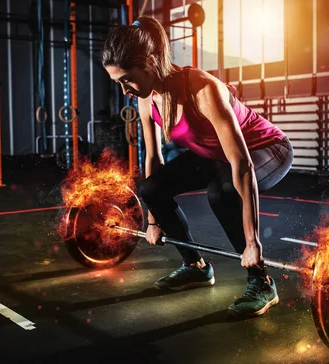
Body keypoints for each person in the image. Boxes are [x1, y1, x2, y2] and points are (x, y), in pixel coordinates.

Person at [101, 16, 293, 317]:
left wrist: (253, 242)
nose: (124, 89)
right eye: (118, 83)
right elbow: (153, 158)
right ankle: (195, 266)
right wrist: (153, 220)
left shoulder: (203, 89)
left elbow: (241, 164)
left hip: (266, 149)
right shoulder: (146, 98)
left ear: (149, 63)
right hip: (213, 154)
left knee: (223, 192)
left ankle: (262, 281)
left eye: (127, 79)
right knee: (152, 187)